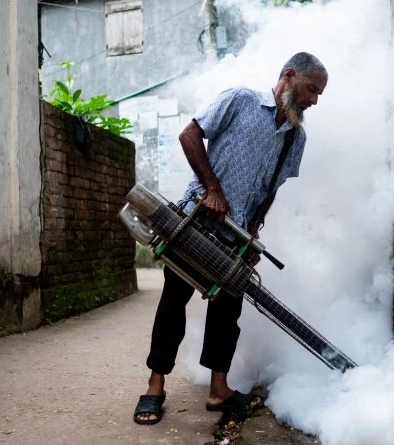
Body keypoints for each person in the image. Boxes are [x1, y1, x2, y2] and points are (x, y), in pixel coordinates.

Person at [133, 52, 329, 425]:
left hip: (236, 237)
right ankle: (155, 386)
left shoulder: (295, 138)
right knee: (174, 303)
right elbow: (189, 134)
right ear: (289, 76)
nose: (313, 100)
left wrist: (254, 226)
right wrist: (212, 189)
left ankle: (218, 389)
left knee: (227, 312)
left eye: (319, 94)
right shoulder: (240, 100)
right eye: (311, 89)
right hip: (195, 221)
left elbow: (271, 189)